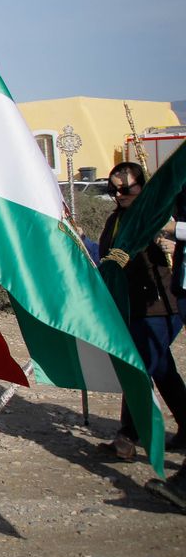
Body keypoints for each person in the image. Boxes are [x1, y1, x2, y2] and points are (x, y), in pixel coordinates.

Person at [98, 161, 186, 461]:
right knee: (162, 369)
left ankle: (128, 436)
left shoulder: (157, 214)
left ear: (142, 186)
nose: (119, 194)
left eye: (126, 188)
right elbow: (107, 258)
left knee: (140, 367)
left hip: (160, 305)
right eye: (113, 189)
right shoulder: (116, 220)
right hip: (131, 305)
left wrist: (172, 242)